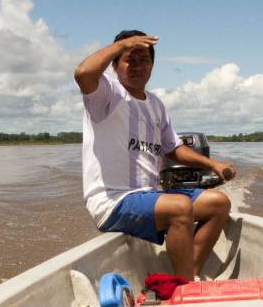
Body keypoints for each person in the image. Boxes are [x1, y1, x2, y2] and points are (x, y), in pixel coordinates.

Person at [74, 29, 237, 281]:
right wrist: (121, 45)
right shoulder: (107, 94)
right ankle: (185, 289)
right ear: (115, 66)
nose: (138, 66)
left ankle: (189, 274)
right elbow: (83, 73)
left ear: (152, 65)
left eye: (144, 60)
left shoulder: (156, 104)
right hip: (112, 202)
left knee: (219, 204)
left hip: (150, 198)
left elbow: (173, 149)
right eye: (130, 59)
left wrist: (212, 164)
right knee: (180, 207)